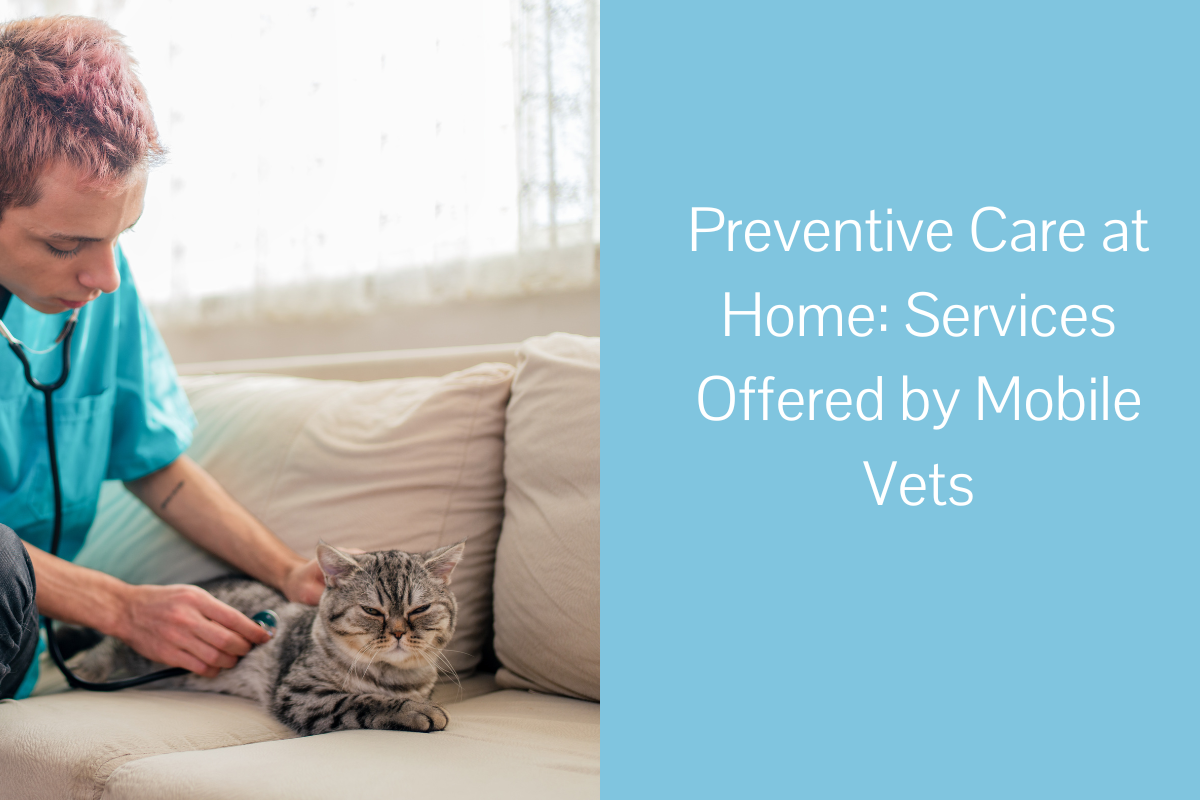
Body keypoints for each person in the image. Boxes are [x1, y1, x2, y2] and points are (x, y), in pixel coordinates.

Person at [0, 16, 326, 700]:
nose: (106, 276)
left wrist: (289, 569)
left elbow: (154, 462)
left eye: (121, 234)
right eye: (66, 246)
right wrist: (121, 608)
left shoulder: (97, 291)